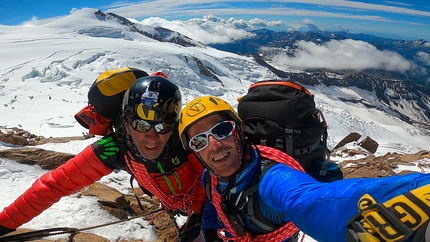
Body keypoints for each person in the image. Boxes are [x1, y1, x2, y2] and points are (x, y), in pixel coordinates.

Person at [178, 95, 430, 242]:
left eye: (221, 130)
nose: (213, 144)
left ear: (238, 132)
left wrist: (416, 197)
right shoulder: (210, 177)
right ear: (196, 152)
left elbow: (314, 202)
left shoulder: (273, 178)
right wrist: (209, 232)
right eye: (199, 141)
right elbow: (214, 202)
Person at [0, 75, 206, 241]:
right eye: (140, 125)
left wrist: (198, 216)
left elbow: (211, 179)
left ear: (174, 126)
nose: (151, 137)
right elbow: (53, 186)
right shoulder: (113, 149)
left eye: (163, 126)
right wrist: (3, 224)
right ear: (125, 124)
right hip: (178, 203)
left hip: (203, 203)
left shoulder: (186, 140)